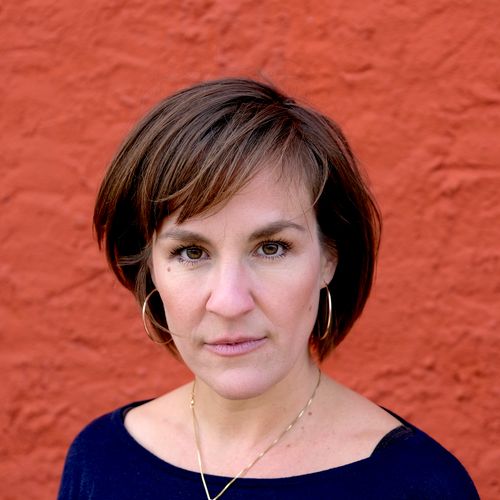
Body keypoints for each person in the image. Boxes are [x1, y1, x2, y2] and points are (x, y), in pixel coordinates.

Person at [58, 78, 479, 499]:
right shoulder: (100, 462)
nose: (229, 302)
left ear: (329, 257)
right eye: (191, 252)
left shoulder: (420, 485)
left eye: (271, 248)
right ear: (149, 265)